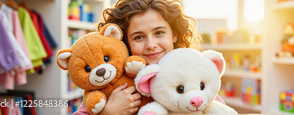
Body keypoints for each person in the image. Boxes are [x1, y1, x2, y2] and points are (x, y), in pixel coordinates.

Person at [73, 0, 201, 114]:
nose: (151, 45)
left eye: (159, 33)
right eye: (139, 37)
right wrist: (109, 112)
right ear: (126, 42)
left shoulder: (194, 73)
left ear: (174, 34)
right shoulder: (113, 82)